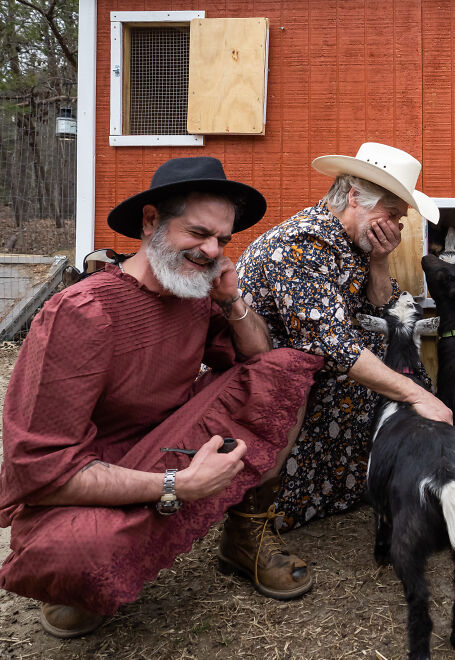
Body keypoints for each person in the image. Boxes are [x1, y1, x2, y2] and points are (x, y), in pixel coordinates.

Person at [0, 157, 323, 638]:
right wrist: (177, 485)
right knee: (72, 556)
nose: (212, 250)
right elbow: (41, 471)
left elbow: (259, 359)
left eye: (223, 240)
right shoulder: (81, 313)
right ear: (151, 221)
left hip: (166, 441)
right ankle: (78, 581)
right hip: (93, 475)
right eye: (197, 233)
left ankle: (243, 535)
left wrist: (232, 299)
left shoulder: (193, 292)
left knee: (283, 372)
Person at [236, 142, 452, 537]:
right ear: (355, 197)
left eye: (401, 220)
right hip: (261, 375)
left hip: (315, 366)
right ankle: (253, 523)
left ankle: (389, 481)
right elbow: (332, 345)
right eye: (392, 214)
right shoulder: (301, 243)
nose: (397, 228)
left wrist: (381, 260)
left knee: (397, 352)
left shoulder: (352, 242)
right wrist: (418, 396)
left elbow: (384, 307)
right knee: (401, 382)